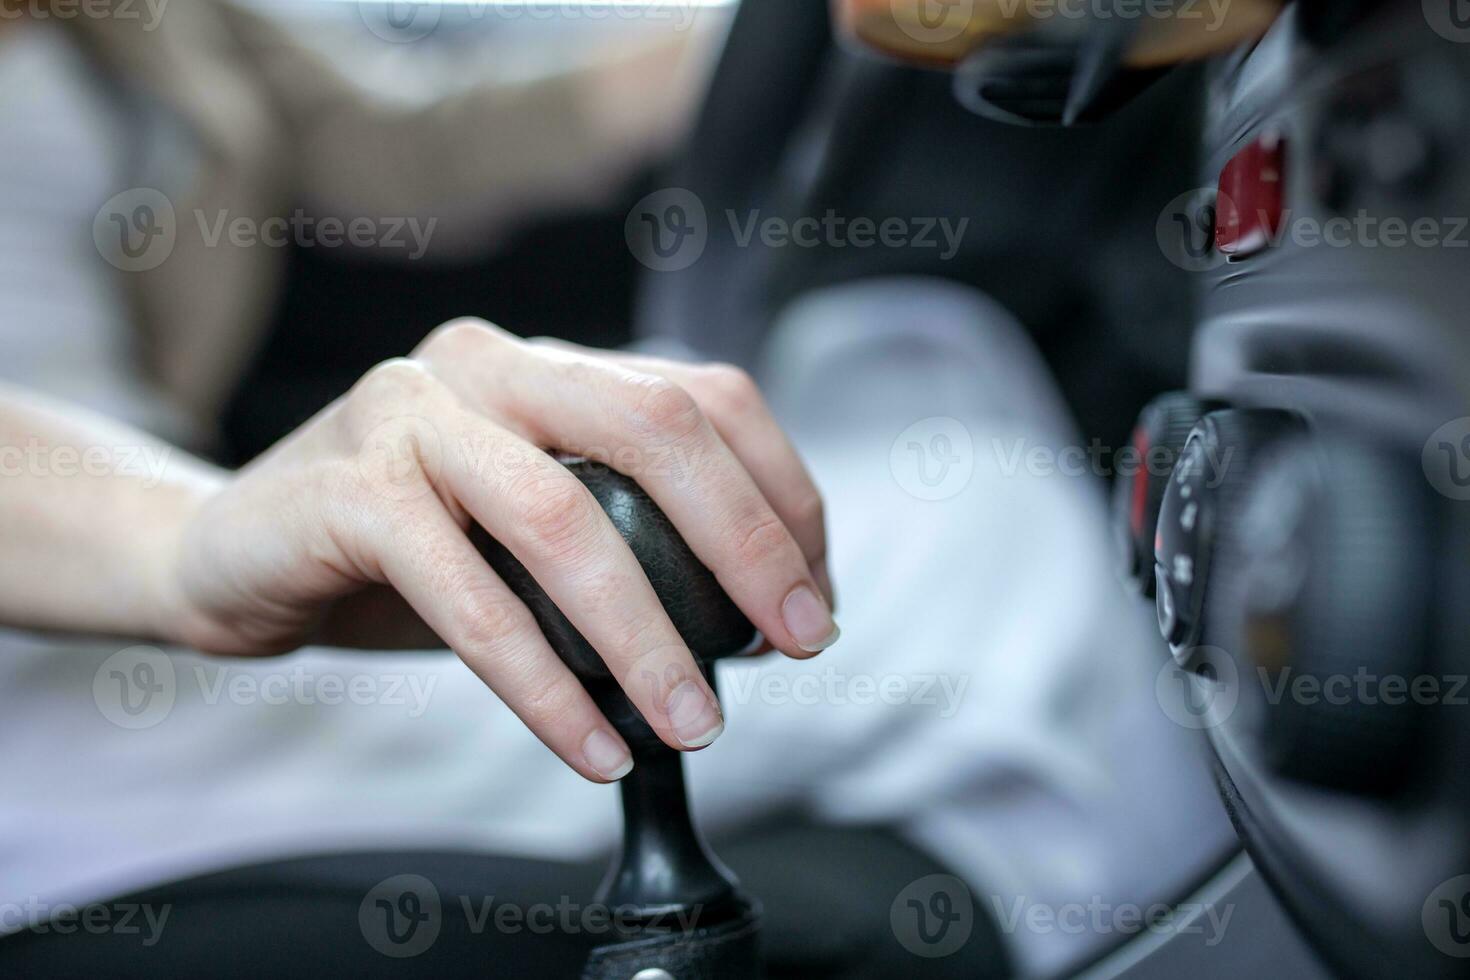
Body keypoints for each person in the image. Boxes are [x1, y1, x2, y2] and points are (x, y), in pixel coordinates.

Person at [0, 2, 1235, 977]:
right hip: (75, 652)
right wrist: (182, 539)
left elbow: (395, 144)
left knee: (785, 412)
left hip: (152, 545)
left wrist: (773, 27)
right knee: (991, 535)